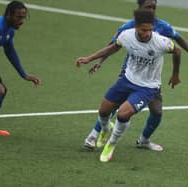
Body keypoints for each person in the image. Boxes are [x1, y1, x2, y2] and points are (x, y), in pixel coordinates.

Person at [84, 0, 188, 151]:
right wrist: (99, 61)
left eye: (154, 7)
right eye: (148, 7)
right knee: (113, 106)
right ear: (140, 8)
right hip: (129, 73)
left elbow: (178, 41)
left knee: (157, 111)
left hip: (151, 79)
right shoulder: (128, 28)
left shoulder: (162, 26)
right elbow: (113, 46)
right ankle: (94, 135)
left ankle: (144, 141)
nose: (151, 10)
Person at [76, 8, 181, 162]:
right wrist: (89, 58)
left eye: (150, 30)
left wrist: (175, 74)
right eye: (144, 30)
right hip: (126, 80)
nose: (147, 33)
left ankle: (110, 144)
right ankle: (105, 130)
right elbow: (113, 48)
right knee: (103, 111)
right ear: (136, 27)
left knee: (123, 114)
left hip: (148, 87)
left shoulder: (160, 42)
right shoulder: (126, 35)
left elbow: (177, 51)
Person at [0, 1, 41, 136]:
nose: (21, 21)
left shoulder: (9, 31)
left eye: (23, 18)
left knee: (1, 90)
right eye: (19, 17)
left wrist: (24, 75)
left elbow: (10, 52)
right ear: (8, 15)